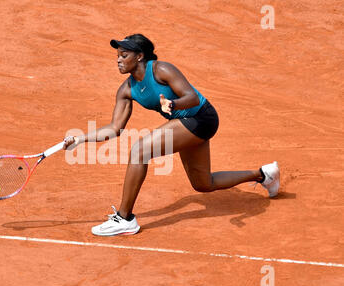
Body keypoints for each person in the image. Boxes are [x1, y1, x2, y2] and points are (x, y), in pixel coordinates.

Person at [63, 34, 280, 236]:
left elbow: (192, 97)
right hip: (185, 124)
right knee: (203, 184)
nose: (118, 60)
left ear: (139, 56)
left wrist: (172, 103)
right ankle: (263, 175)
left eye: (124, 55)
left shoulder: (161, 69)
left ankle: (125, 218)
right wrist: (80, 139)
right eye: (118, 56)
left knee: (139, 151)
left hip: (202, 118)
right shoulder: (126, 90)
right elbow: (114, 128)